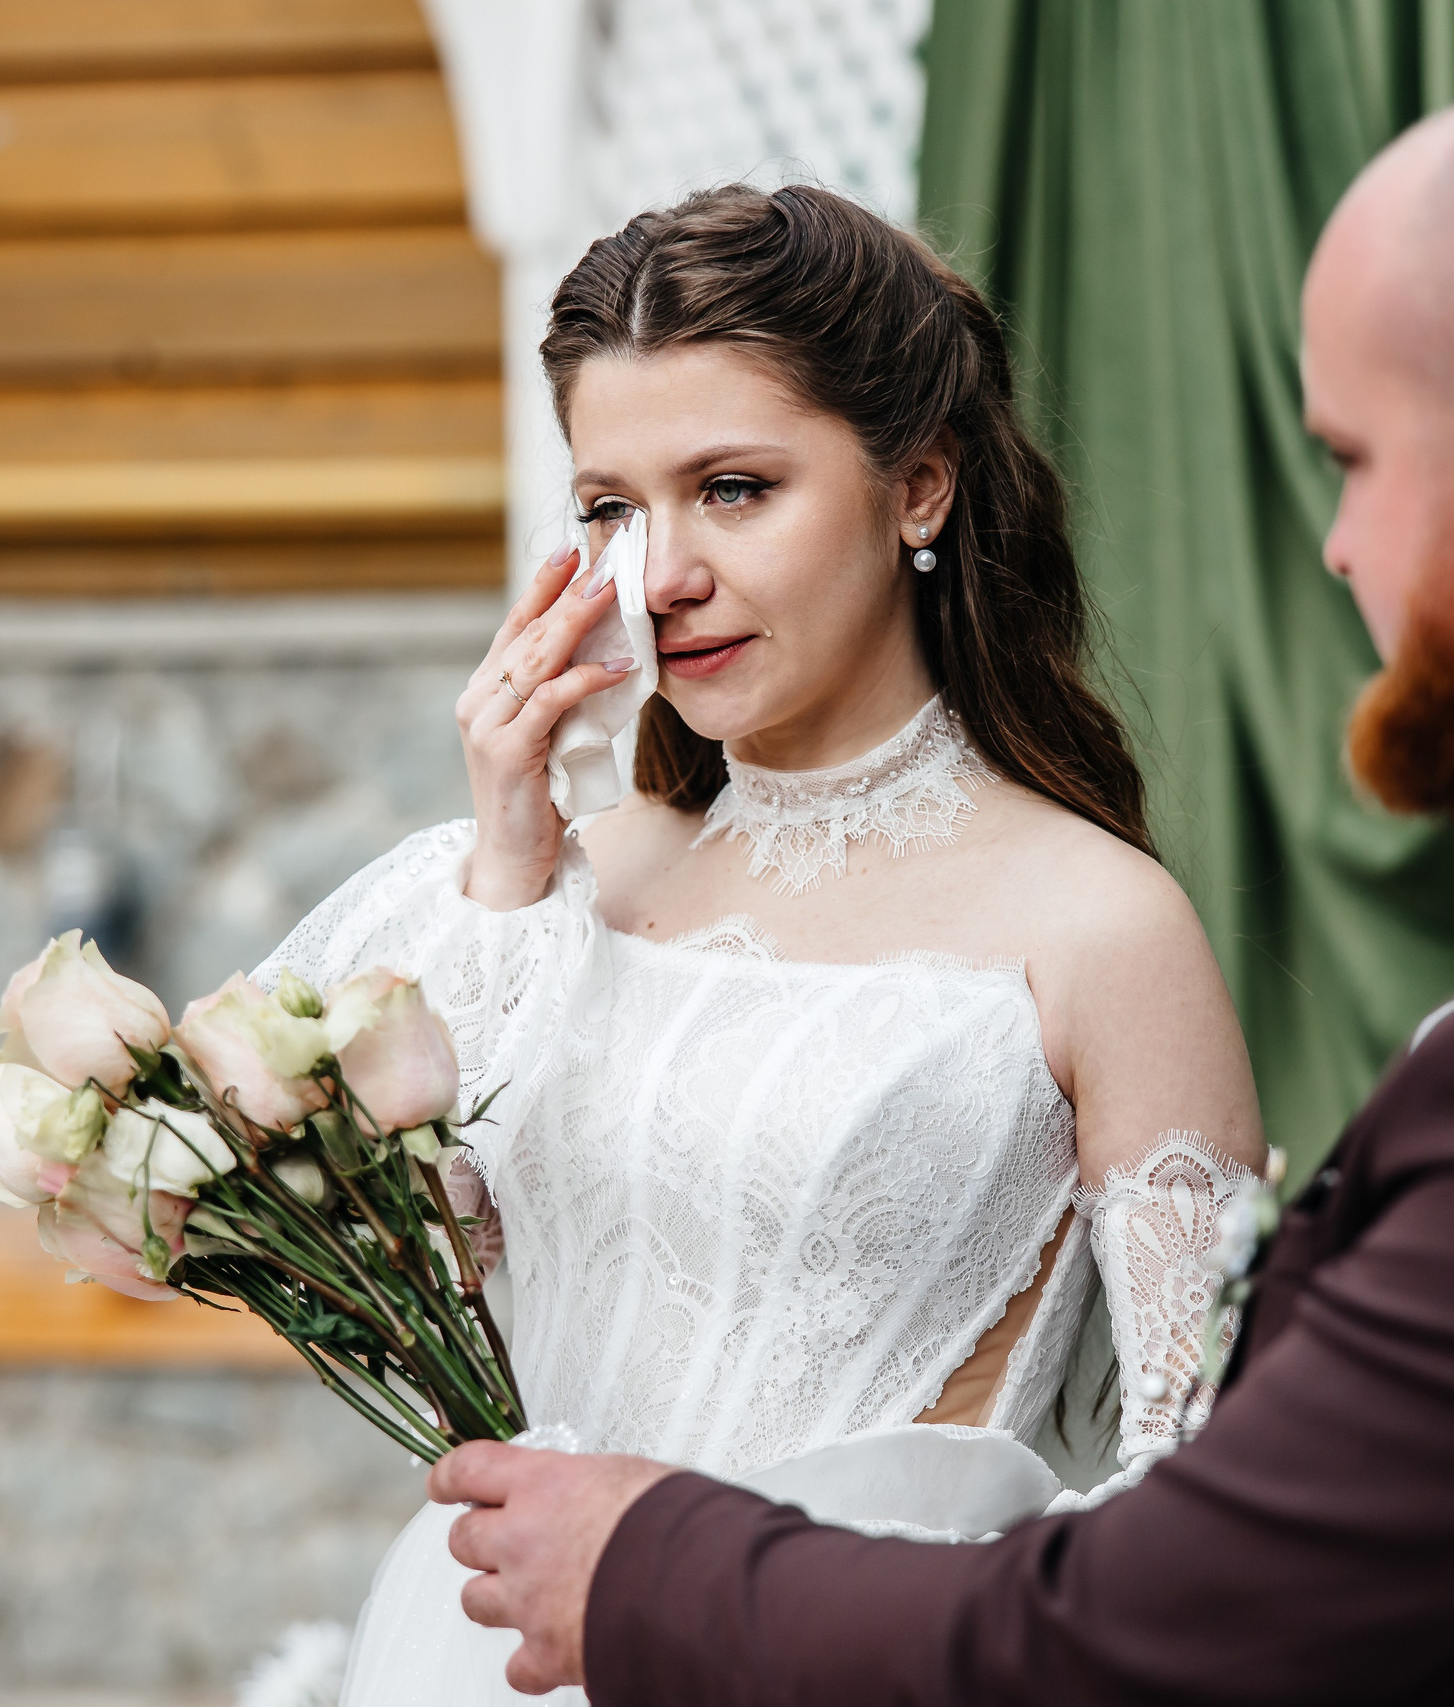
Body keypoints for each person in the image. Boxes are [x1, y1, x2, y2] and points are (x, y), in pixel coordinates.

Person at [426, 53, 1454, 1704]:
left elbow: (1195, 1617)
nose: (1334, 547)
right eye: (614, 504)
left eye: (1356, 461)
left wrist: (652, 1566)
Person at [254, 183, 1269, 1705]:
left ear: (918, 488)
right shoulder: (532, 897)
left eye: (732, 487)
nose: (659, 576)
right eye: (612, 507)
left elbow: (1208, 1491)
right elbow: (404, 1300)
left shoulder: (1099, 927)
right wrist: (511, 870)